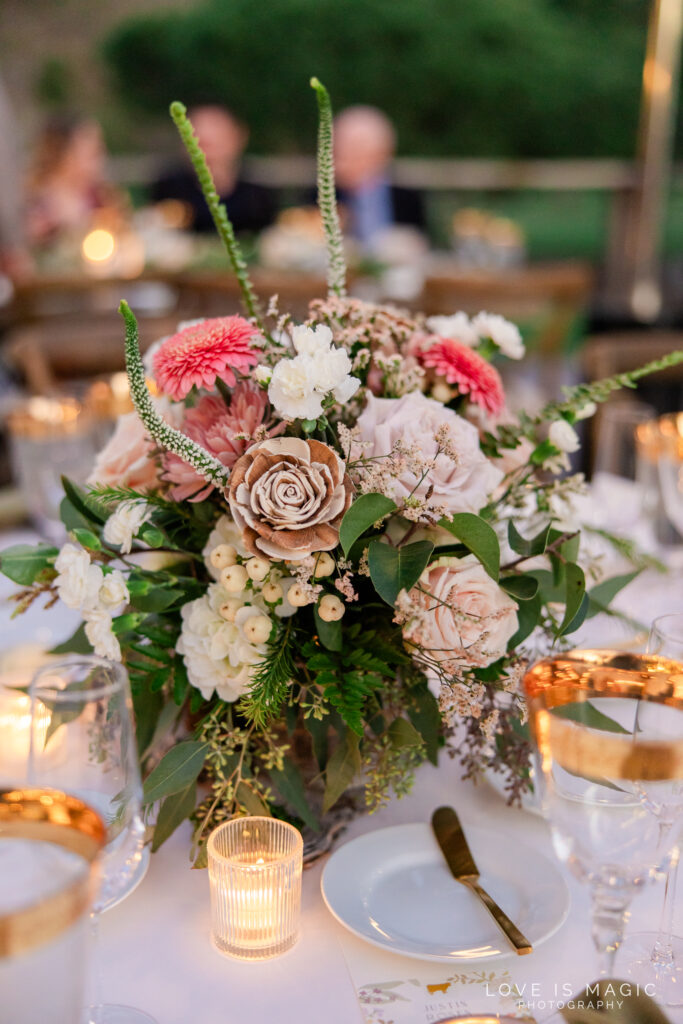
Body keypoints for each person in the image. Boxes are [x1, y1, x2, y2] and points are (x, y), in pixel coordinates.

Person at [152, 105, 276, 234]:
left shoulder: (256, 190)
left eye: (214, 144)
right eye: (200, 145)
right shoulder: (170, 187)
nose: (206, 154)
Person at [332, 105, 425, 247]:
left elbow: (422, 243)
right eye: (339, 149)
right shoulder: (321, 196)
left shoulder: (407, 197)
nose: (343, 157)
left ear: (382, 153)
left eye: (355, 149)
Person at [25, 116, 123, 247]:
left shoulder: (101, 197)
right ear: (62, 153)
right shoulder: (38, 206)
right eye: (93, 152)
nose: (101, 158)